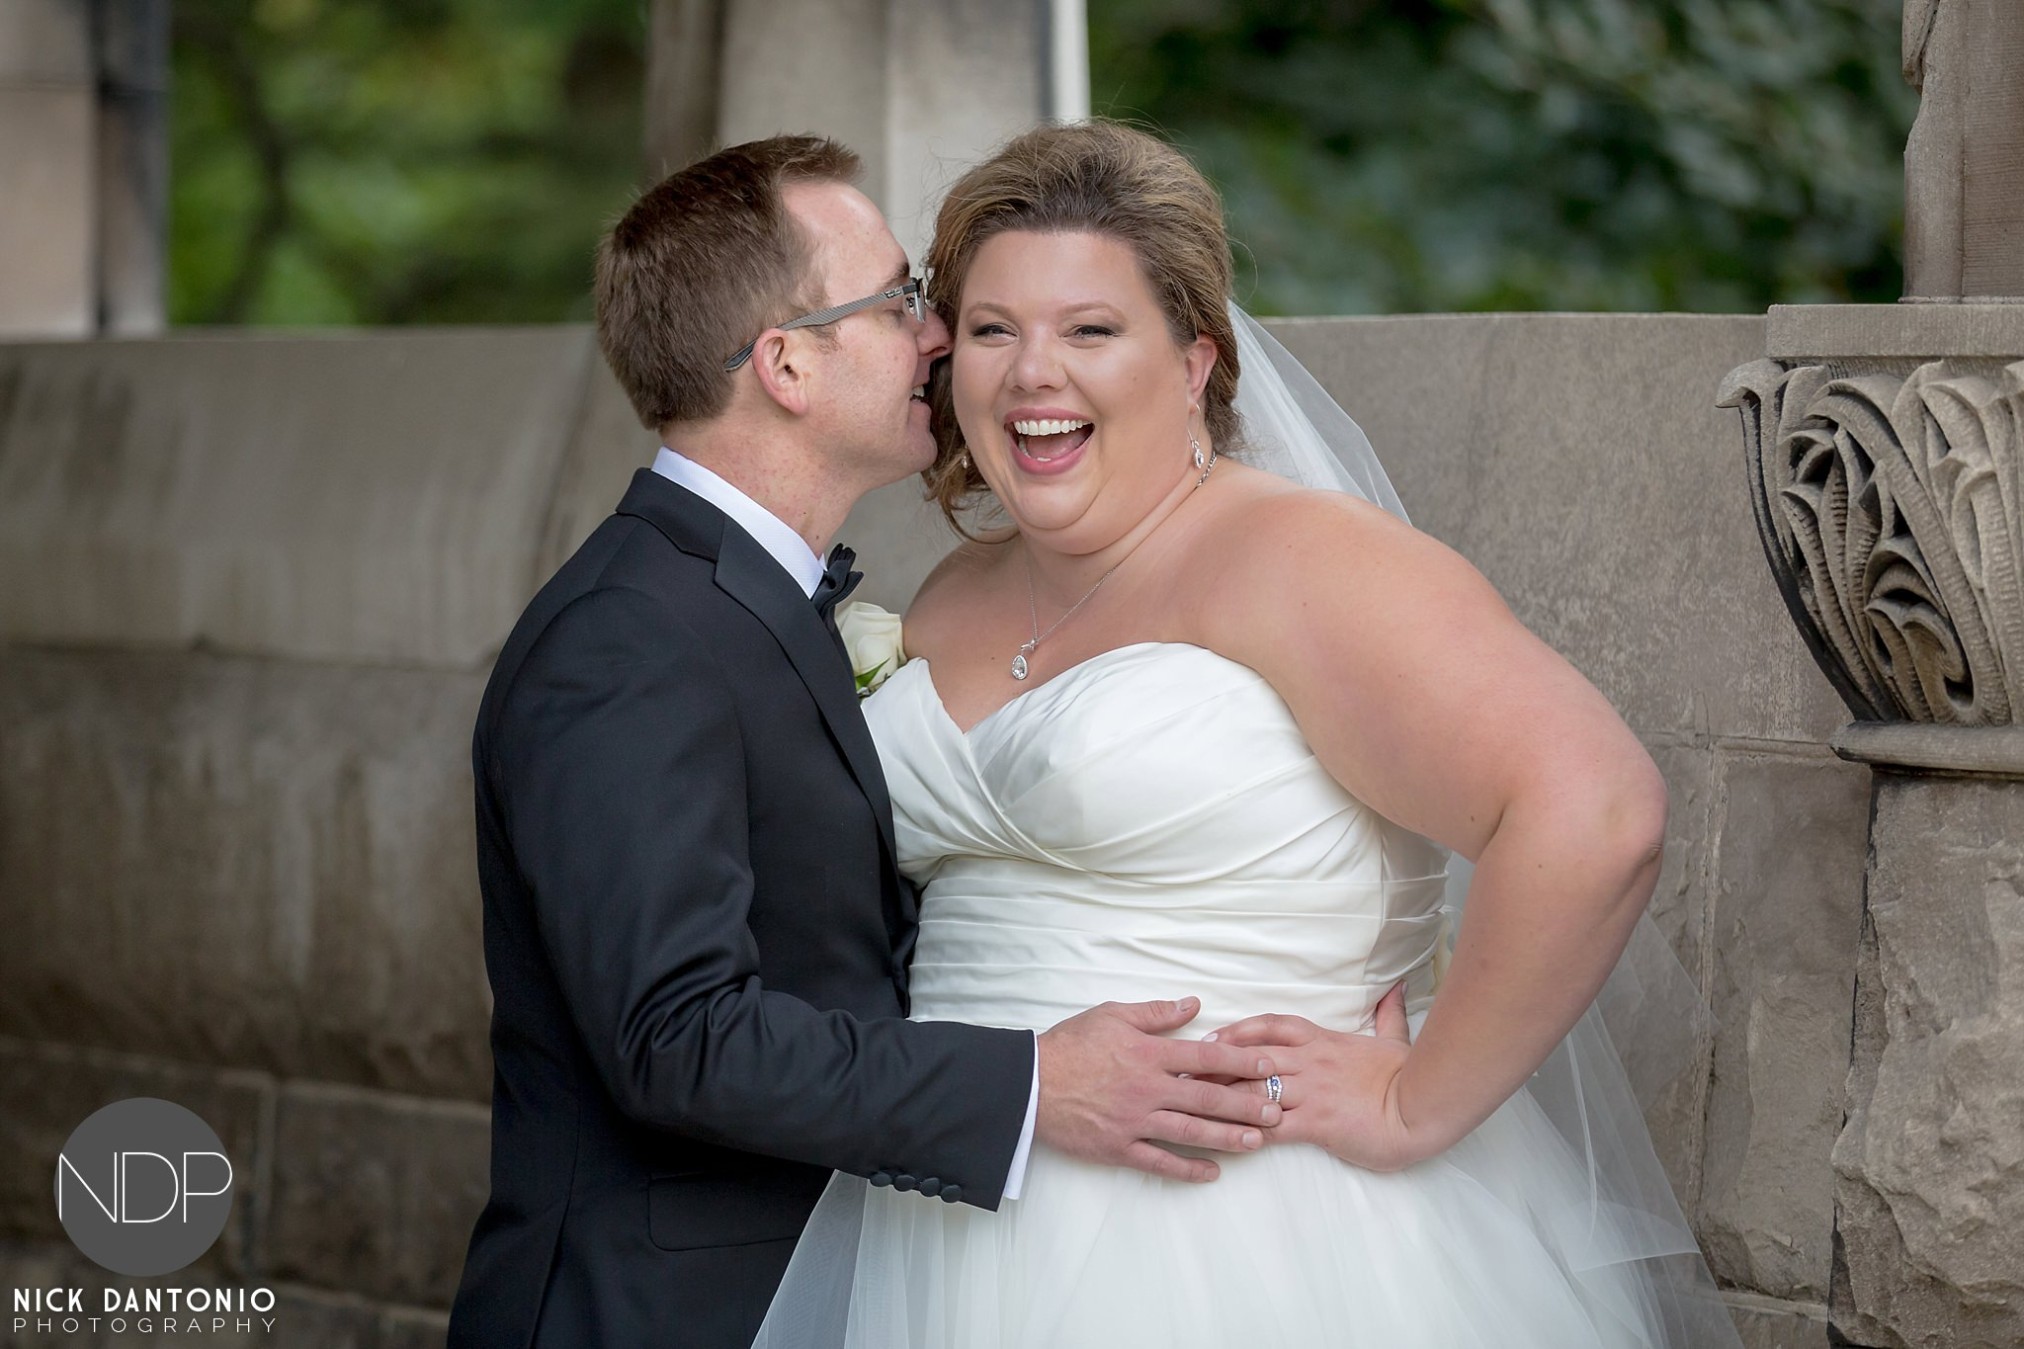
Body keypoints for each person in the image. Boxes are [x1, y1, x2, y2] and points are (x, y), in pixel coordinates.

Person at [754, 121, 1744, 1347]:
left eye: (1090, 330)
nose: (1029, 373)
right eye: (994, 329)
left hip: (1244, 1237)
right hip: (943, 1225)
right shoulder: (948, 594)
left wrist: (1411, 1102)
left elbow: (1593, 809)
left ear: (1190, 364)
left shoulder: (1299, 560)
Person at [445, 135, 1286, 1349]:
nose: (939, 334)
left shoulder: (738, 601)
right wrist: (1037, 1081)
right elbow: (677, 1035)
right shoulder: (626, 637)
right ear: (785, 363)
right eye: (898, 300)